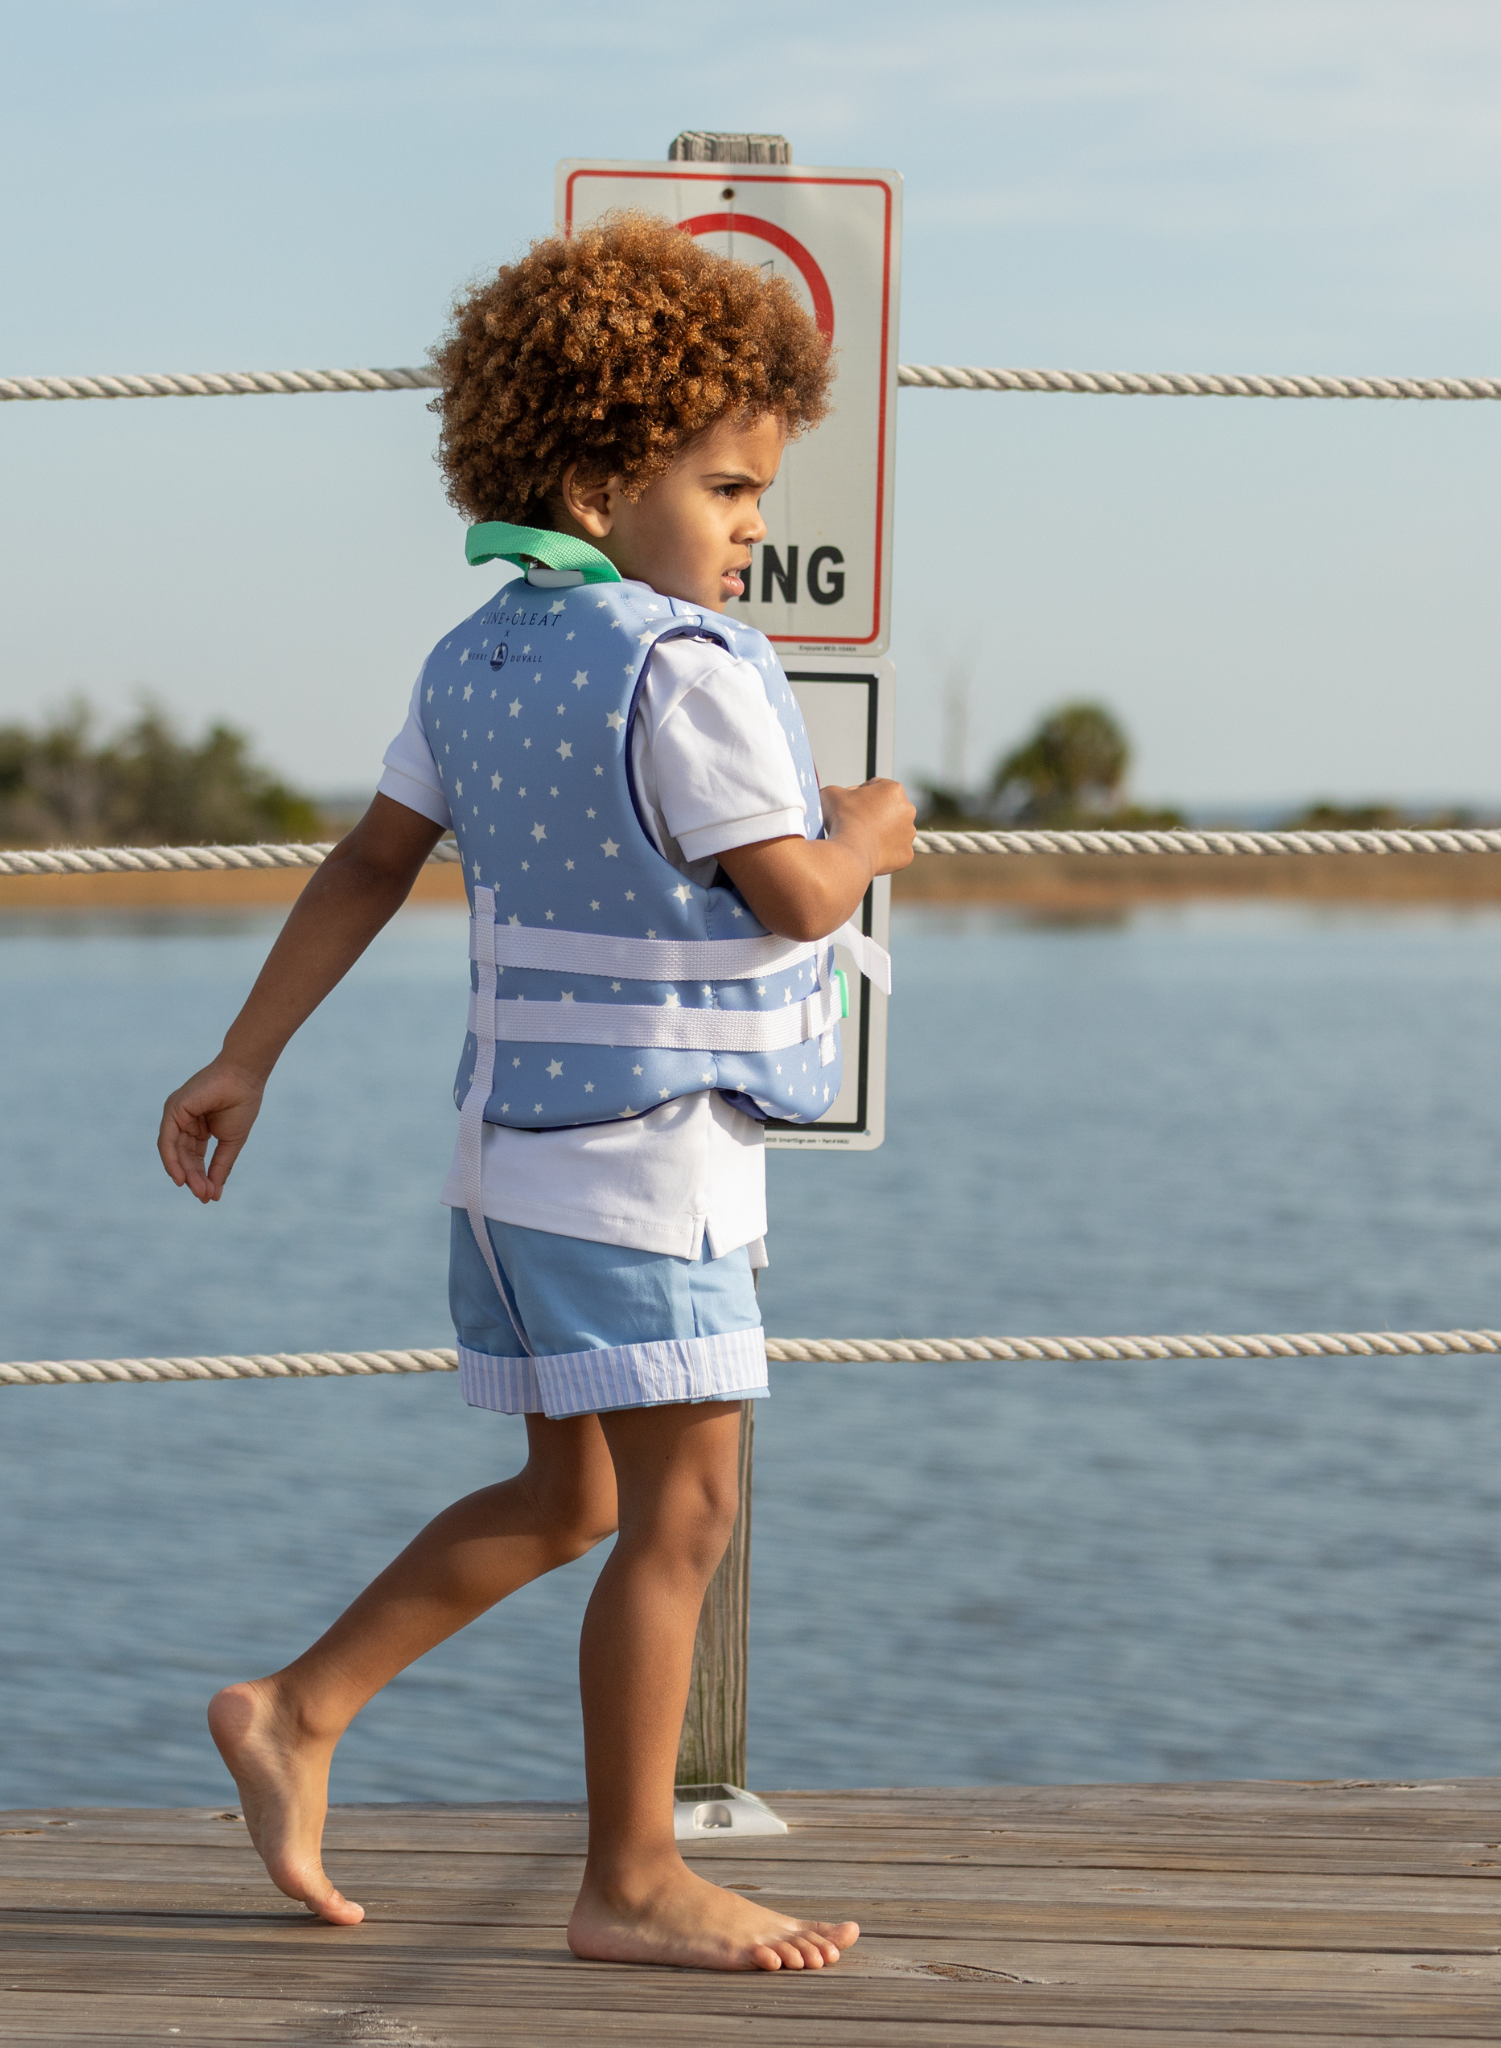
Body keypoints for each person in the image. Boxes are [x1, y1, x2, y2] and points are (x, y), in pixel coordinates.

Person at [156, 213, 915, 1972]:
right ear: (595, 470)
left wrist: (243, 1052)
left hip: (505, 1168)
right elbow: (796, 896)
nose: (752, 526)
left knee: (574, 1498)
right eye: (728, 486)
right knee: (693, 1510)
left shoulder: (473, 658)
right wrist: (872, 827)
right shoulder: (686, 670)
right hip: (644, 1171)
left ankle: (296, 1708)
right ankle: (635, 1877)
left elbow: (363, 866)